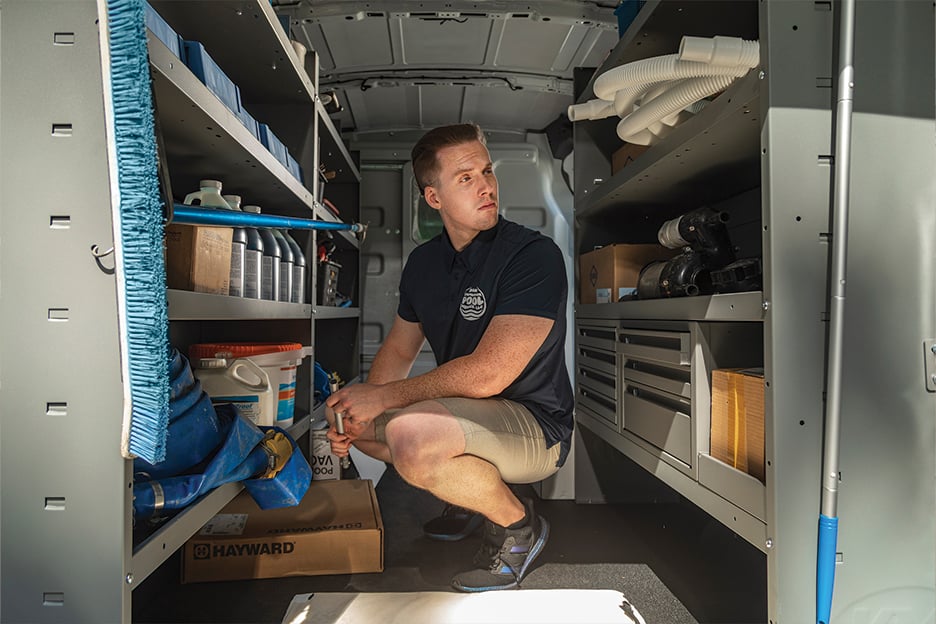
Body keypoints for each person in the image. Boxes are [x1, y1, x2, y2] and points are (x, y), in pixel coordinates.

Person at [325, 123, 574, 592]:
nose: (485, 185)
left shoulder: (532, 256)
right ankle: (468, 501)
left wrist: (383, 400)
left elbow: (489, 374)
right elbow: (400, 348)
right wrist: (359, 414)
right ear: (434, 197)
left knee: (412, 438)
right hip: (473, 413)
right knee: (363, 432)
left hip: (537, 425)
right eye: (465, 177)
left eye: (486, 171)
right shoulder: (424, 265)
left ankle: (520, 528)